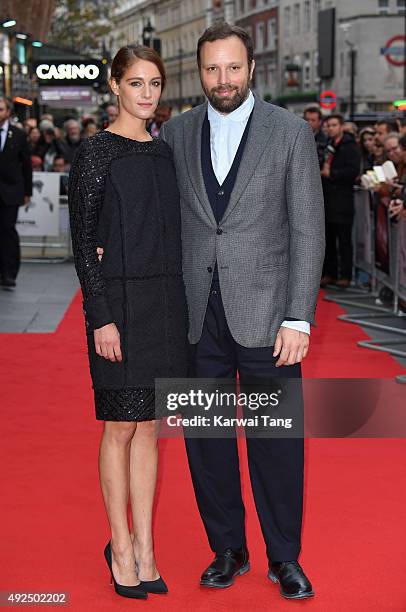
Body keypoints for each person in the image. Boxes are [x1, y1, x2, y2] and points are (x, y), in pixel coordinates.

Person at [160, 23, 325, 600]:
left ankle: (285, 557)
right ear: (200, 71)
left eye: (232, 68)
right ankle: (227, 547)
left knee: (275, 441)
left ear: (252, 68)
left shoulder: (289, 133)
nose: (222, 79)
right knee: (204, 439)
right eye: (212, 69)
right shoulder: (176, 134)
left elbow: (308, 230)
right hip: (194, 314)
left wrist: (299, 317)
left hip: (268, 315)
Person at [68, 45, 188, 600]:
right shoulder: (94, 153)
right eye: (136, 83)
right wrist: (101, 319)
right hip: (117, 307)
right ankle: (118, 545)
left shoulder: (165, 155)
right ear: (115, 85)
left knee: (150, 429)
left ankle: (145, 547)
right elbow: (82, 242)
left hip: (165, 307)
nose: (147, 94)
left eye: (156, 84)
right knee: (119, 426)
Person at [320, 113, 360, 288]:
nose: (330, 128)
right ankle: (330, 273)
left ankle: (345, 275)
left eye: (334, 125)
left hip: (343, 200)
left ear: (341, 126)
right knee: (328, 239)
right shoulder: (327, 145)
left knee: (344, 240)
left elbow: (352, 171)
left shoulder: (350, 147)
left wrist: (332, 174)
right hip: (327, 199)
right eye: (328, 126)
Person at [0, 97, 32, 288]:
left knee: (7, 230)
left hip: (11, 191)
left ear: (8, 112)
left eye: (1, 109)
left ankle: (9, 273)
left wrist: (27, 191)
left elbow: (26, 165)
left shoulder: (18, 135)